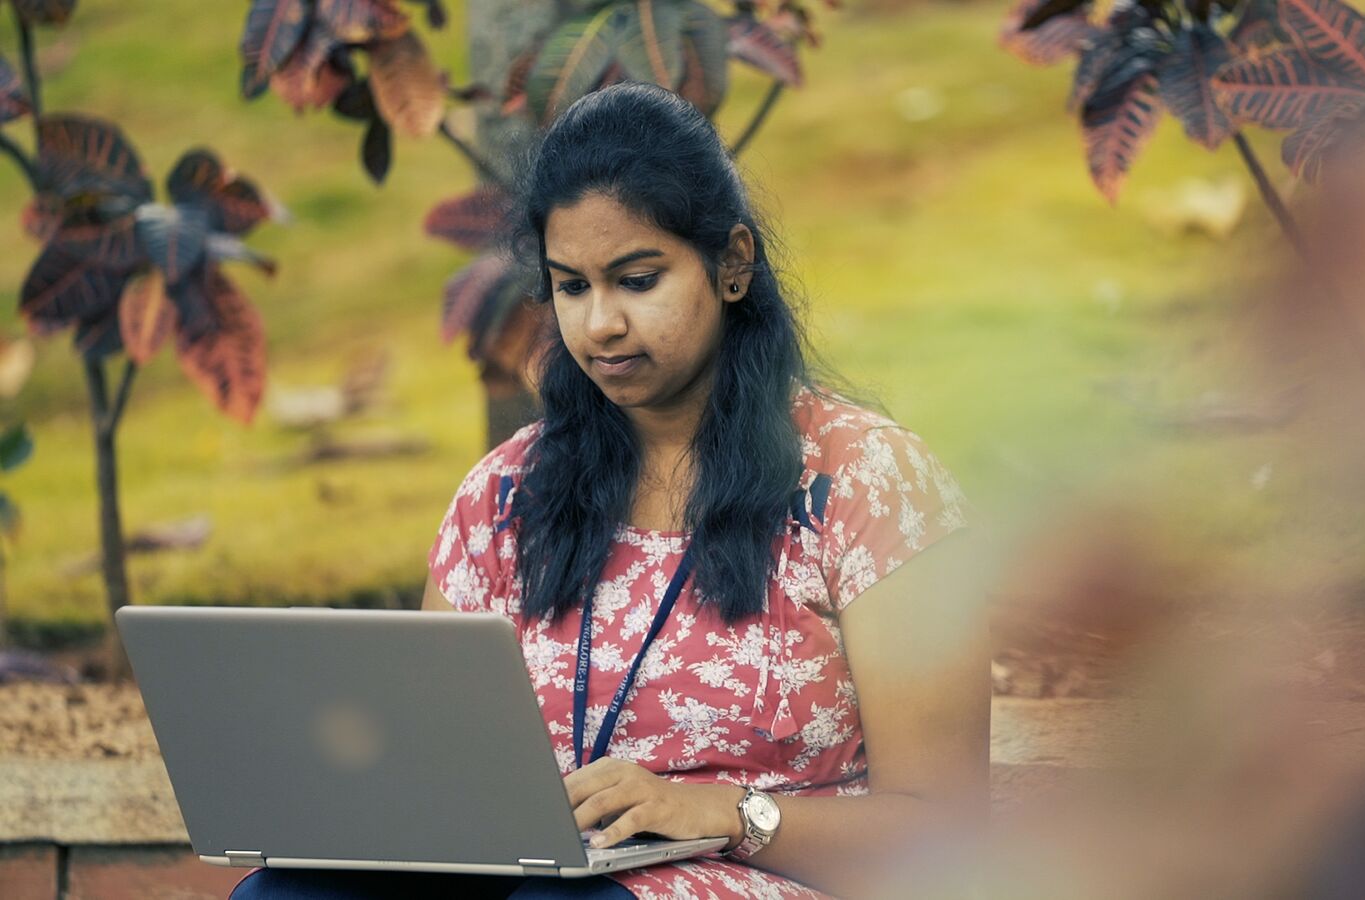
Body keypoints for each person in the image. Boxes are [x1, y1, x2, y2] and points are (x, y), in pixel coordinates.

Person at [232, 81, 988, 900]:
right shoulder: (506, 497)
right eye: (572, 286)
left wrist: (721, 813)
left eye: (637, 280)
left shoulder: (865, 484)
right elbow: (431, 782)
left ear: (732, 264)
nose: (600, 326)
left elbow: (942, 832)